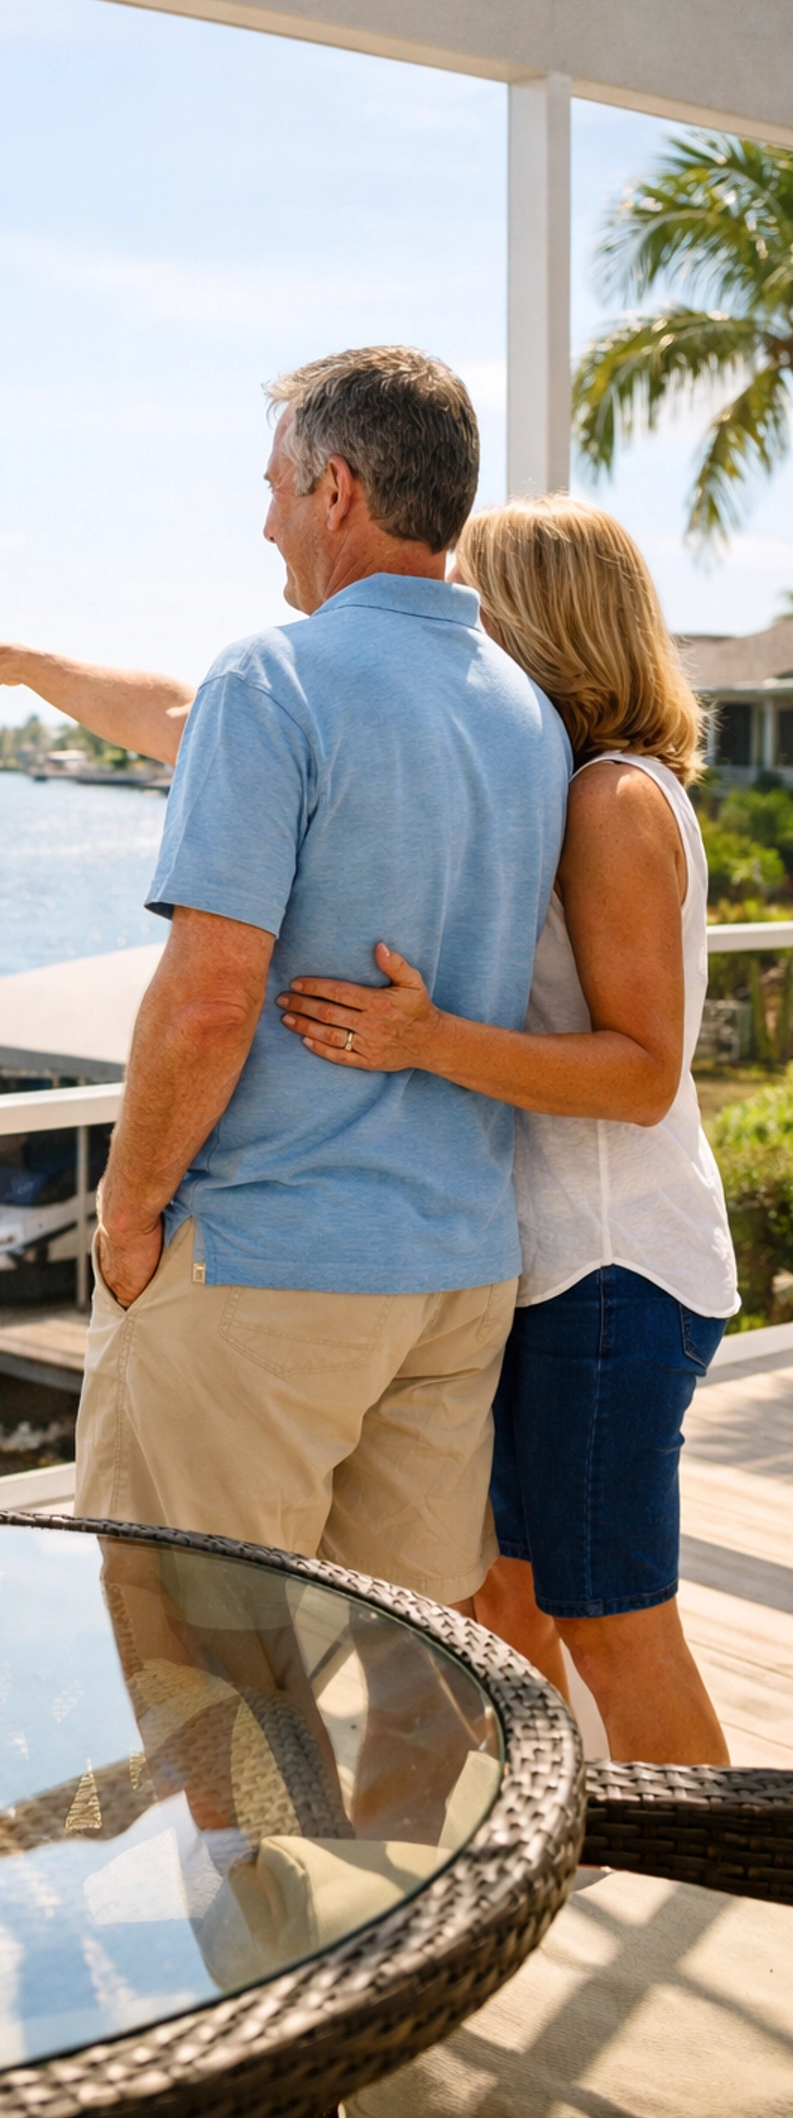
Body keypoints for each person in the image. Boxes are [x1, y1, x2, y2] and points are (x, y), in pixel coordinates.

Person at [0, 344, 571, 1613]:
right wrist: (33, 663)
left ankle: (243, 1827)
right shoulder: (526, 715)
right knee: (414, 1684)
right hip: (457, 1277)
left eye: (273, 489)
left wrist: (126, 1215)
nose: (263, 523)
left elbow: (210, 1000)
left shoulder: (277, 676)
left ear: (335, 489)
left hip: (266, 1267)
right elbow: (178, 715)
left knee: (201, 1679)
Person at [278, 498, 735, 1764]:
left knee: (617, 1629)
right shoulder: (556, 787)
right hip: (556, 1271)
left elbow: (643, 1076)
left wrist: (424, 1040)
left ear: (536, 617)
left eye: (476, 599)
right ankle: (552, 1839)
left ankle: (739, 1883)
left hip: (612, 1272)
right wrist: (31, 667)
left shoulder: (610, 801)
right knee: (505, 1607)